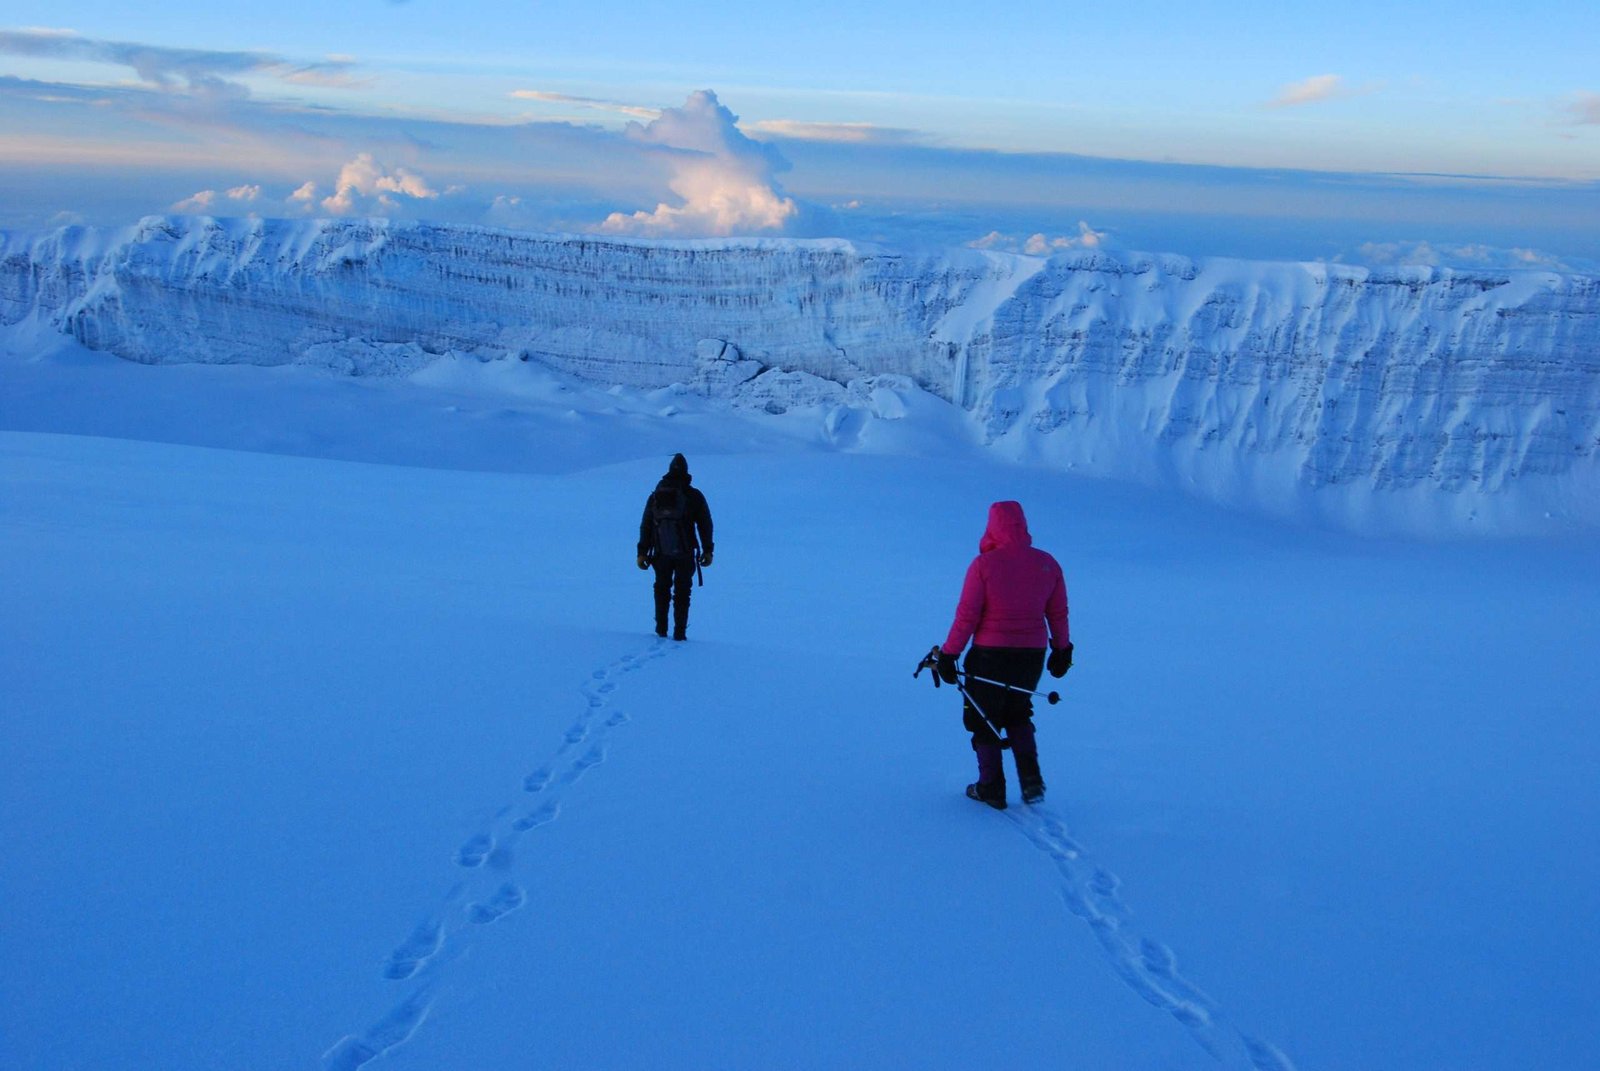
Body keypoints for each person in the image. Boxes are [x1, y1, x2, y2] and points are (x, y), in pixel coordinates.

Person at [937, 500, 1072, 809]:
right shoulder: (1047, 564)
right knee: (1018, 710)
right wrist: (1062, 650)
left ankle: (991, 787)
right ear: (1023, 525)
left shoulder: (983, 565)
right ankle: (1031, 781)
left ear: (991, 527)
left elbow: (967, 615)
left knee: (982, 716)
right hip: (1031, 655)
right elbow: (1058, 613)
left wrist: (949, 654)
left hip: (989, 654)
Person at [636, 453, 714, 641]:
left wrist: (641, 552)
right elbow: (705, 524)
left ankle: (661, 630)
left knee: (661, 589)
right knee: (682, 592)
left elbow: (646, 525)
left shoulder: (656, 495)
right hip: (685, 553)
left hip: (660, 552)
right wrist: (708, 550)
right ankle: (680, 633)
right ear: (687, 472)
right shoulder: (694, 495)